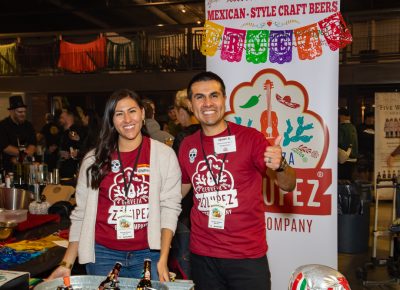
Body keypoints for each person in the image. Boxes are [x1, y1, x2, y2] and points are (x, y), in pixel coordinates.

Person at [178, 72, 296, 290]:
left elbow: (288, 185)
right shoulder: (187, 145)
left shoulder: (251, 139)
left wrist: (280, 165)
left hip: (246, 256)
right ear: (191, 105)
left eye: (214, 95)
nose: (208, 103)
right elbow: (179, 191)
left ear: (225, 100)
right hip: (202, 255)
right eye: (199, 97)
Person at [48, 89, 181, 281]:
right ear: (111, 120)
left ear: (142, 113)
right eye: (119, 114)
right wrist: (67, 263)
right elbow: (81, 214)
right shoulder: (94, 159)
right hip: (102, 255)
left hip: (149, 254)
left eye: (132, 111)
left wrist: (163, 258)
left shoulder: (164, 155)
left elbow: (170, 207)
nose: (127, 119)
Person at [168, 89, 200, 279]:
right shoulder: (207, 133)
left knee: (187, 268)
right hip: (204, 212)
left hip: (185, 211)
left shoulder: (183, 137)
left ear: (183, 110)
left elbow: (176, 177)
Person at [0, 95, 36, 173]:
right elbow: (5, 147)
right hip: (9, 170)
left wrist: (21, 158)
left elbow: (32, 144)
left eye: (24, 112)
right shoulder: (3, 125)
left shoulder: (28, 125)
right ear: (12, 111)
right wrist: (23, 156)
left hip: (27, 168)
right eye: (20, 112)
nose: (23, 114)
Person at [58, 109, 85, 179]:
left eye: (63, 114)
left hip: (74, 173)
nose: (60, 116)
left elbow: (84, 149)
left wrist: (73, 154)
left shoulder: (78, 130)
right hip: (62, 171)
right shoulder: (61, 132)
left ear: (70, 116)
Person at [338, 107, 358, 180]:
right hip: (353, 157)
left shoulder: (341, 127)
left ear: (342, 116)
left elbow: (339, 142)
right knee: (349, 179)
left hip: (344, 158)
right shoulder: (353, 127)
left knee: (342, 180)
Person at [357, 111, 374, 181]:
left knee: (372, 170)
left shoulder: (376, 127)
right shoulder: (360, 127)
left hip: (373, 153)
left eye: (373, 118)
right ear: (366, 118)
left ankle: (371, 188)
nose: (371, 119)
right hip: (362, 153)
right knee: (362, 170)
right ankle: (365, 188)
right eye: (370, 118)